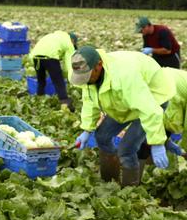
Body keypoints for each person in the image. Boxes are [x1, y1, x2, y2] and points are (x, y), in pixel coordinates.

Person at [72, 46, 176, 186]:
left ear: (99, 65)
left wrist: (157, 143)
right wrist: (86, 129)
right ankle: (110, 181)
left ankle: (130, 191)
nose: (85, 80)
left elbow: (149, 110)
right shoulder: (85, 74)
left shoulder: (124, 76)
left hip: (153, 97)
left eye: (87, 75)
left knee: (126, 149)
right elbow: (90, 99)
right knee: (102, 136)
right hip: (124, 101)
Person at [30, 31, 78, 111]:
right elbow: (68, 64)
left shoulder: (52, 35)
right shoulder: (69, 43)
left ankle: (39, 100)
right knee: (59, 82)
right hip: (50, 57)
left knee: (41, 80)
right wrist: (69, 76)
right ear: (72, 40)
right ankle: (64, 103)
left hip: (36, 57)